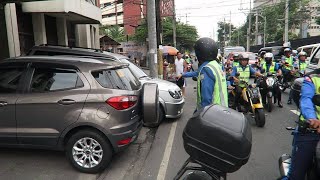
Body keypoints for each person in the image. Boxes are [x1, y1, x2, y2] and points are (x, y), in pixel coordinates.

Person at [282, 70, 320, 180]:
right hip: (311, 131)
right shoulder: (312, 79)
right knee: (296, 176)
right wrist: (312, 119)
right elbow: (306, 100)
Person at [193, 37, 228, 110]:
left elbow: (206, 99)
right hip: (222, 111)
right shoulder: (216, 65)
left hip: (212, 114)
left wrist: (200, 114)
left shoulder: (206, 69)